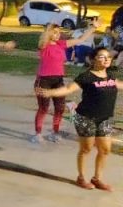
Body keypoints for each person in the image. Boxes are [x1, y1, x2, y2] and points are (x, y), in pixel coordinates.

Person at [36, 47, 123, 190]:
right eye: (102, 56)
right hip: (85, 117)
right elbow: (69, 89)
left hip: (105, 118)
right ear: (93, 59)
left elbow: (119, 85)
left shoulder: (111, 76)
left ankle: (97, 179)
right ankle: (81, 178)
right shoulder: (86, 76)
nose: (107, 59)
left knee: (105, 150)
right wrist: (50, 92)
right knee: (86, 149)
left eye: (108, 57)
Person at [33, 22, 96, 143]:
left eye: (59, 32)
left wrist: (93, 28)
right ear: (49, 33)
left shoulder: (61, 44)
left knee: (60, 108)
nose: (58, 35)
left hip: (58, 80)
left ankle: (55, 132)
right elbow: (44, 38)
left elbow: (81, 39)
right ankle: (38, 134)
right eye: (55, 32)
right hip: (43, 80)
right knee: (43, 108)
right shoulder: (43, 45)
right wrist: (49, 30)